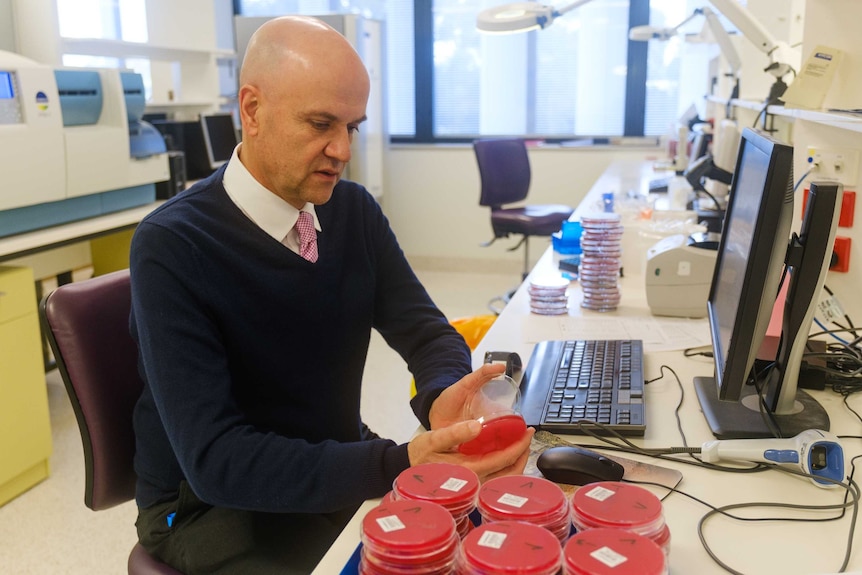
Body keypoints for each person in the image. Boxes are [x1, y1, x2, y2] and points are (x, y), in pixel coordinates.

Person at [129, 15, 534, 574]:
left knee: (484, 537)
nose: (342, 150)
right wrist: (397, 461)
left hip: (327, 457)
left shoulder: (352, 212)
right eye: (321, 123)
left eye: (353, 127)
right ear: (251, 109)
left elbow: (425, 330)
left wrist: (441, 392)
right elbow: (217, 461)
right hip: (211, 505)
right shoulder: (173, 246)